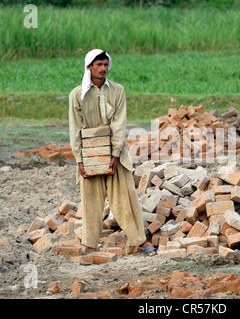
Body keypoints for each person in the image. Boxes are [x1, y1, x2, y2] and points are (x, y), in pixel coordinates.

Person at [68, 49, 156, 256]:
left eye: (106, 65)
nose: (103, 69)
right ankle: (90, 244)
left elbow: (119, 125)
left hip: (116, 155)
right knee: (90, 201)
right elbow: (75, 129)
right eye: (98, 64)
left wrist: (114, 155)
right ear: (89, 67)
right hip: (89, 156)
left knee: (126, 199)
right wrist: (80, 160)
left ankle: (140, 242)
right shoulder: (76, 95)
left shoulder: (117, 91)